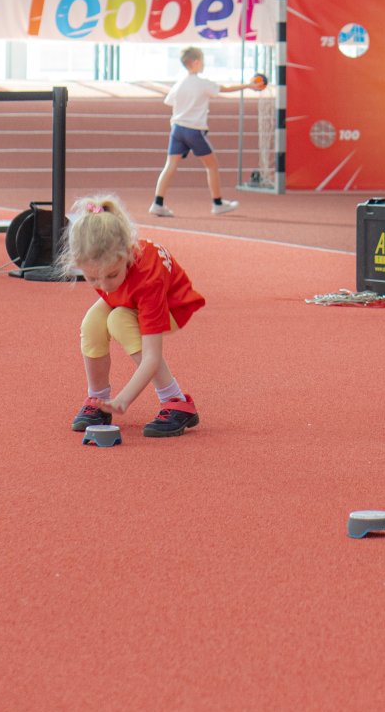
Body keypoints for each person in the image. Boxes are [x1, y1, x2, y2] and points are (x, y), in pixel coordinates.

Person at [63, 195, 207, 438]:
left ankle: (176, 401)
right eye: (93, 279)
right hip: (130, 296)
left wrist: (124, 399)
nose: (104, 286)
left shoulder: (148, 278)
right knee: (92, 323)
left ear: (127, 254)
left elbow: (152, 356)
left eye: (111, 275)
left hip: (172, 306)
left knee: (118, 320)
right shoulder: (103, 265)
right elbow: (111, 287)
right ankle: (97, 401)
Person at [149, 47, 253, 217]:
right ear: (196, 62)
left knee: (170, 165)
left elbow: (168, 101)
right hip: (193, 130)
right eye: (202, 61)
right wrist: (248, 85)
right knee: (212, 165)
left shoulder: (180, 83)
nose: (204, 64)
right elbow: (225, 89)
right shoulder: (202, 83)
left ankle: (157, 203)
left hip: (177, 129)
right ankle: (218, 203)